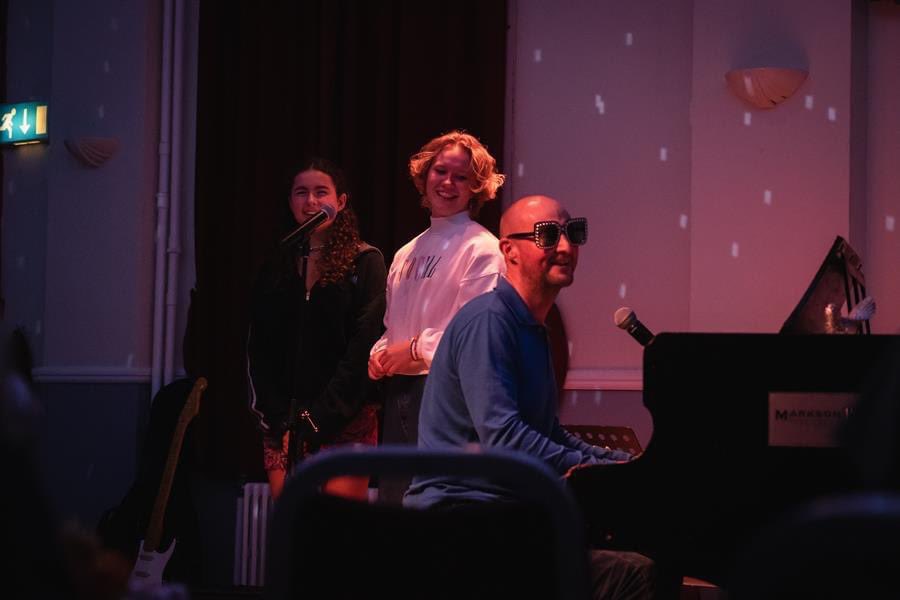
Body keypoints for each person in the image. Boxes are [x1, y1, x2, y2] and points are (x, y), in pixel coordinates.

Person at [404, 195, 657, 599]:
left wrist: (626, 463)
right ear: (509, 251)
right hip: (464, 522)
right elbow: (506, 440)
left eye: (573, 233)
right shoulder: (490, 321)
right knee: (637, 574)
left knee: (642, 554)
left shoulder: (533, 328)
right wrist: (604, 472)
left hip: (505, 514)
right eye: (547, 235)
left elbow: (547, 432)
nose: (565, 247)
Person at [368, 130, 506, 504]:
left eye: (461, 177)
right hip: (400, 393)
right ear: (424, 175)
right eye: (440, 171)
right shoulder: (405, 253)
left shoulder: (483, 248)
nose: (447, 183)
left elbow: (475, 335)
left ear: (476, 188)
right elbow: (393, 325)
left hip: (446, 396)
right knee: (396, 505)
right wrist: (380, 353)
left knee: (434, 511)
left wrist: (414, 350)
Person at [248, 158, 387, 501]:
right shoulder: (276, 264)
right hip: (284, 422)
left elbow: (363, 347)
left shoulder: (365, 261)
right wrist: (278, 417)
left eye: (320, 192)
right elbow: (259, 347)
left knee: (336, 538)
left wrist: (318, 418)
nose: (310, 201)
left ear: (340, 202)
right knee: (292, 534)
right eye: (301, 193)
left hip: (344, 419)